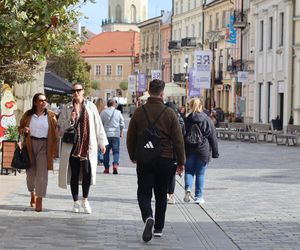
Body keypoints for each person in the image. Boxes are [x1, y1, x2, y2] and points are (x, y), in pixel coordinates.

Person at [127, 79, 185, 242]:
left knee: (143, 193)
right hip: (165, 158)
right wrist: (181, 162)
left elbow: (130, 137)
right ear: (162, 93)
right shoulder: (169, 113)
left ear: (149, 91)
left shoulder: (139, 112)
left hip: (145, 158)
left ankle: (147, 217)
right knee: (161, 193)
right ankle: (158, 228)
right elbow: (178, 140)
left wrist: (133, 156)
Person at [58, 83, 108, 214]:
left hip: (87, 145)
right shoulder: (67, 108)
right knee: (74, 174)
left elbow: (98, 124)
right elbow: (60, 128)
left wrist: (102, 142)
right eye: (73, 91)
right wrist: (70, 120)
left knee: (87, 173)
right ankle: (75, 202)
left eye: (78, 90)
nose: (76, 93)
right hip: (72, 146)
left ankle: (85, 200)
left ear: (83, 91)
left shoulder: (91, 106)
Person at [18, 93, 58, 212]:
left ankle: (39, 198)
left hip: (44, 146)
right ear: (35, 102)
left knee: (42, 174)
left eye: (45, 100)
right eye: (40, 100)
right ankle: (32, 192)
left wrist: (54, 151)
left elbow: (56, 132)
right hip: (30, 145)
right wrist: (24, 130)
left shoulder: (51, 116)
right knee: (30, 174)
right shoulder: (28, 115)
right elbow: (19, 128)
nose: (43, 102)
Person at [184, 98, 219, 204]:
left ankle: (188, 188)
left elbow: (181, 135)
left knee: (189, 171)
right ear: (201, 106)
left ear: (190, 106)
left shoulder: (186, 119)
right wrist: (215, 152)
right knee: (200, 174)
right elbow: (213, 137)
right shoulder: (207, 120)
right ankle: (198, 197)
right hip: (203, 150)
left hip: (189, 149)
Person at [165, 101, 185, 204]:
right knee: (172, 175)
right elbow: (183, 136)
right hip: (176, 150)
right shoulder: (180, 119)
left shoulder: (163, 117)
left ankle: (165, 194)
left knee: (164, 174)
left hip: (164, 150)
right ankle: (170, 195)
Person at [100, 99, 125, 174]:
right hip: (115, 135)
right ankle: (115, 164)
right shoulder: (118, 113)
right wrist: (121, 132)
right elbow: (122, 124)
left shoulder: (103, 112)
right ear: (114, 105)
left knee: (106, 152)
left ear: (107, 104)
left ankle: (106, 168)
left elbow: (100, 124)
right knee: (116, 151)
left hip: (106, 135)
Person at [95, 98, 106, 164]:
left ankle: (99, 158)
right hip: (103, 130)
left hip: (96, 130)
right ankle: (101, 159)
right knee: (102, 145)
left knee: (97, 145)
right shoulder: (104, 111)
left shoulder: (95, 110)